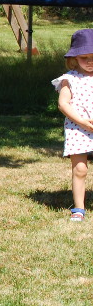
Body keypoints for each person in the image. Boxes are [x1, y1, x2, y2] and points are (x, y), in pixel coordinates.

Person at [52, 29, 93, 221]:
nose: (89, 61)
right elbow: (63, 104)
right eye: (84, 56)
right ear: (74, 57)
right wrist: (82, 122)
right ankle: (79, 208)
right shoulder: (69, 79)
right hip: (78, 129)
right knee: (80, 169)